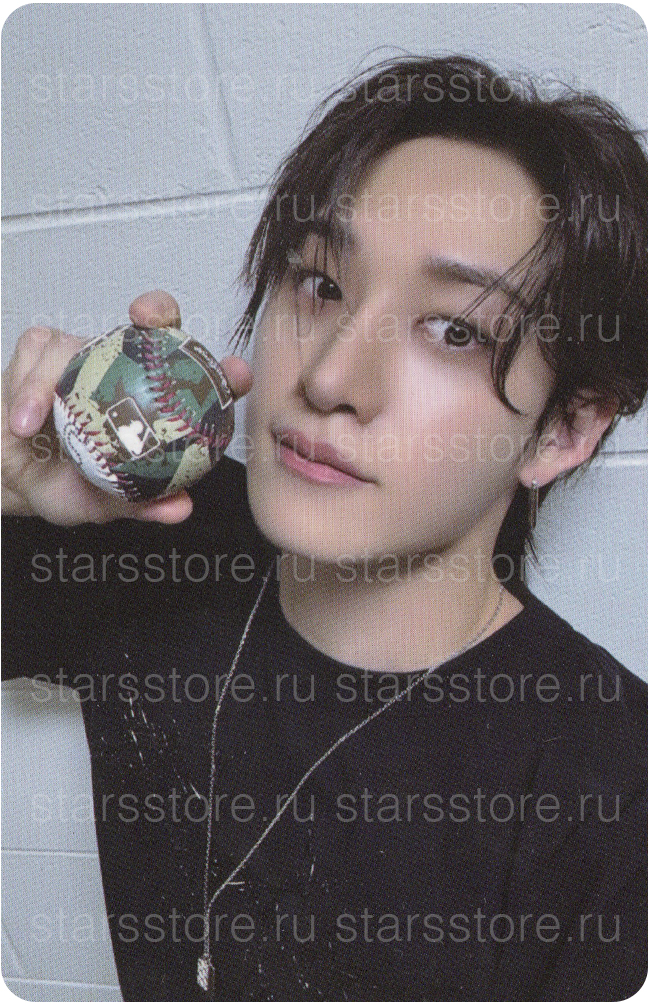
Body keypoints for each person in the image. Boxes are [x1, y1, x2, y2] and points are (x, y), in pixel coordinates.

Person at [2, 55, 646, 1001]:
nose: (331, 378)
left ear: (564, 430)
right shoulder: (145, 543)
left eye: (456, 330)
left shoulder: (611, 783)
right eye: (320, 282)